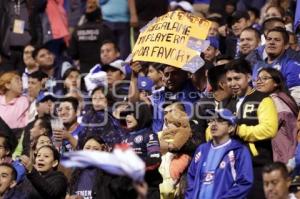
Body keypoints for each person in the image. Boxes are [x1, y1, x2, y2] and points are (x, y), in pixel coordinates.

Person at [223, 58, 278, 198]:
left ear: (248, 77)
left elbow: (269, 129)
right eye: (229, 79)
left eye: (237, 78)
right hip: (230, 167)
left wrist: (238, 130)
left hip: (256, 166)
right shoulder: (227, 102)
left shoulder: (263, 99)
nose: (233, 83)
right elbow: (213, 128)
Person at [186, 109, 253, 199]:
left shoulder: (239, 151)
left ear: (231, 128)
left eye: (220, 121)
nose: (214, 124)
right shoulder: (202, 149)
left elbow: (244, 183)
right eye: (212, 120)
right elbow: (191, 178)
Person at [256, 68, 298, 163]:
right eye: (258, 79)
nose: (259, 82)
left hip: (285, 155)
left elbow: (266, 128)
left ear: (276, 83)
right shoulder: (284, 98)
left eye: (264, 78)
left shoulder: (275, 101)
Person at [120, 102, 162, 199]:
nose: (127, 117)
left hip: (148, 188)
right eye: (126, 114)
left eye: (131, 114)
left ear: (142, 115)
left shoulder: (149, 135)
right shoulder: (124, 139)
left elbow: (155, 160)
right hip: (128, 189)